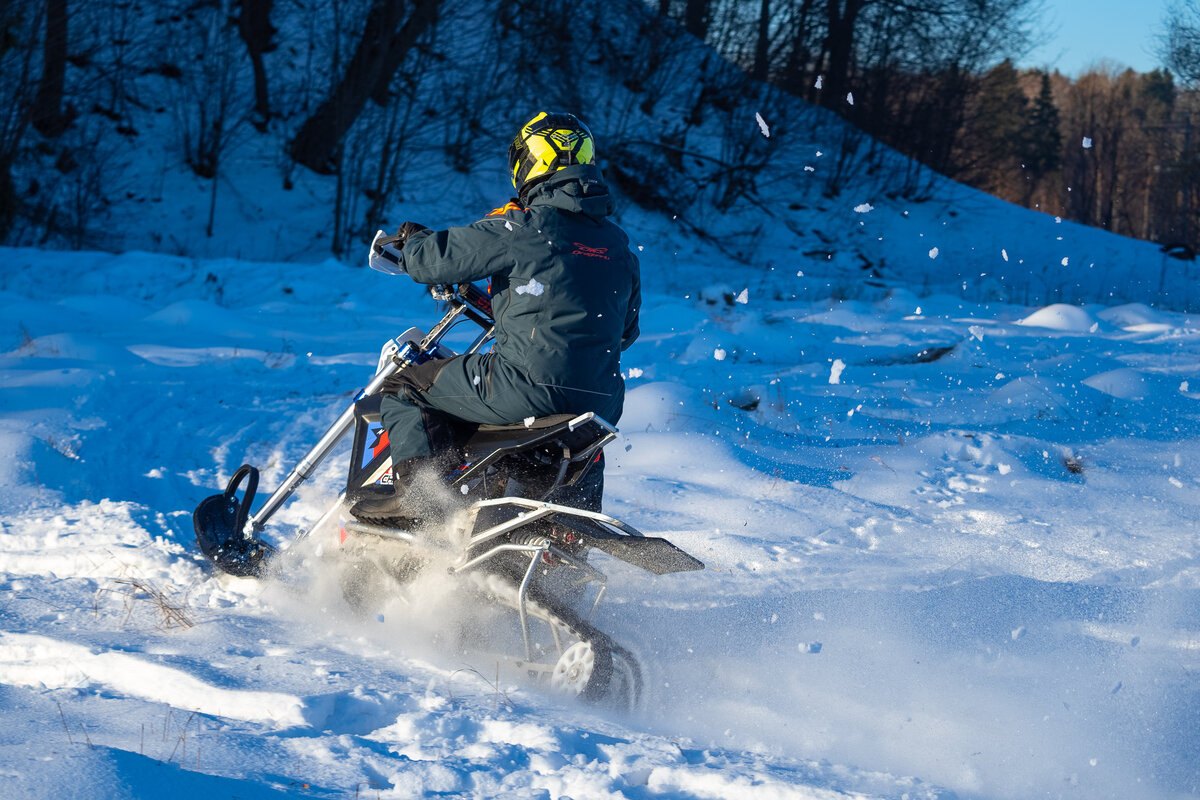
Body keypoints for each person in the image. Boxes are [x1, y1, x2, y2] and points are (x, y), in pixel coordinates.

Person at [350, 111, 641, 523]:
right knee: (582, 448)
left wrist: (413, 239)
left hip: (526, 386)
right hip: (602, 401)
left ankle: (420, 500)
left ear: (533, 160)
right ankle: (564, 533)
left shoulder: (524, 226)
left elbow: (434, 260)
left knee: (406, 387)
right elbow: (624, 333)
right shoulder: (619, 247)